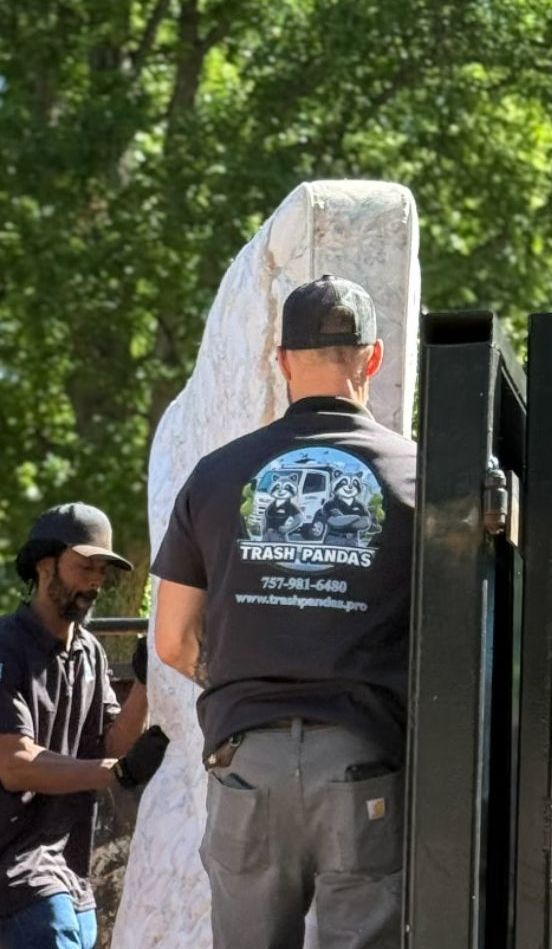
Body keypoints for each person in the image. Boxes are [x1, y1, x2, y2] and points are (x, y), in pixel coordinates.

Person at [152, 274, 416, 949]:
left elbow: (173, 639)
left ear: (282, 360)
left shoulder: (215, 476)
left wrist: (249, 675)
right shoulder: (419, 478)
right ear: (374, 357)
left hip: (248, 764)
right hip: (363, 762)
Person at [0, 502, 169, 949]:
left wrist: (148, 684)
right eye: (84, 566)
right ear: (44, 566)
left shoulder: (90, 652)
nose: (96, 581)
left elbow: (112, 742)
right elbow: (16, 764)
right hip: (19, 870)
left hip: (74, 874)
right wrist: (118, 772)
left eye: (102, 570)